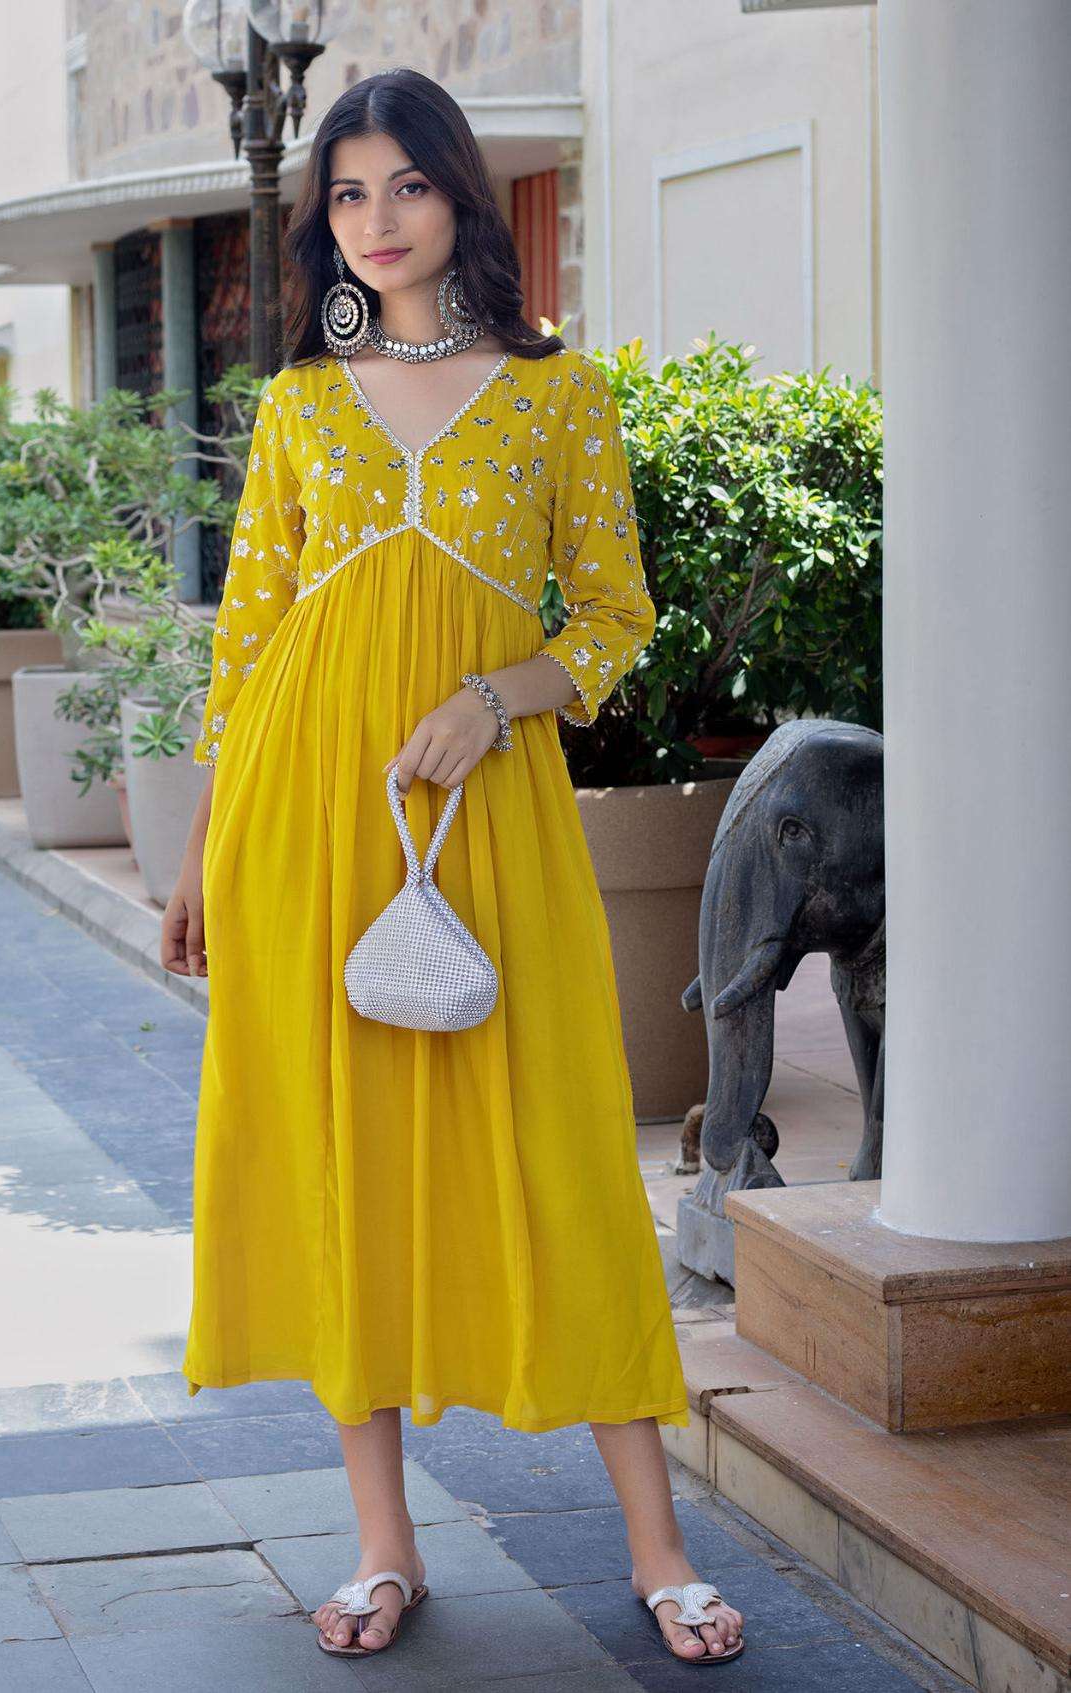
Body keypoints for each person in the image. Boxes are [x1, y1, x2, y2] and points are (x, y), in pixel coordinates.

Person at [161, 66, 745, 1669]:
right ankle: (383, 1543)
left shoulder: (559, 396)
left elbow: (613, 622)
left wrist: (495, 702)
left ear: (459, 194)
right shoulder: (299, 406)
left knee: (561, 1153)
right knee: (343, 1161)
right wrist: (205, 850)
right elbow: (248, 644)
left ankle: (659, 1551)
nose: (377, 219)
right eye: (347, 194)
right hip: (307, 819)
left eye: (405, 185)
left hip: (491, 821)